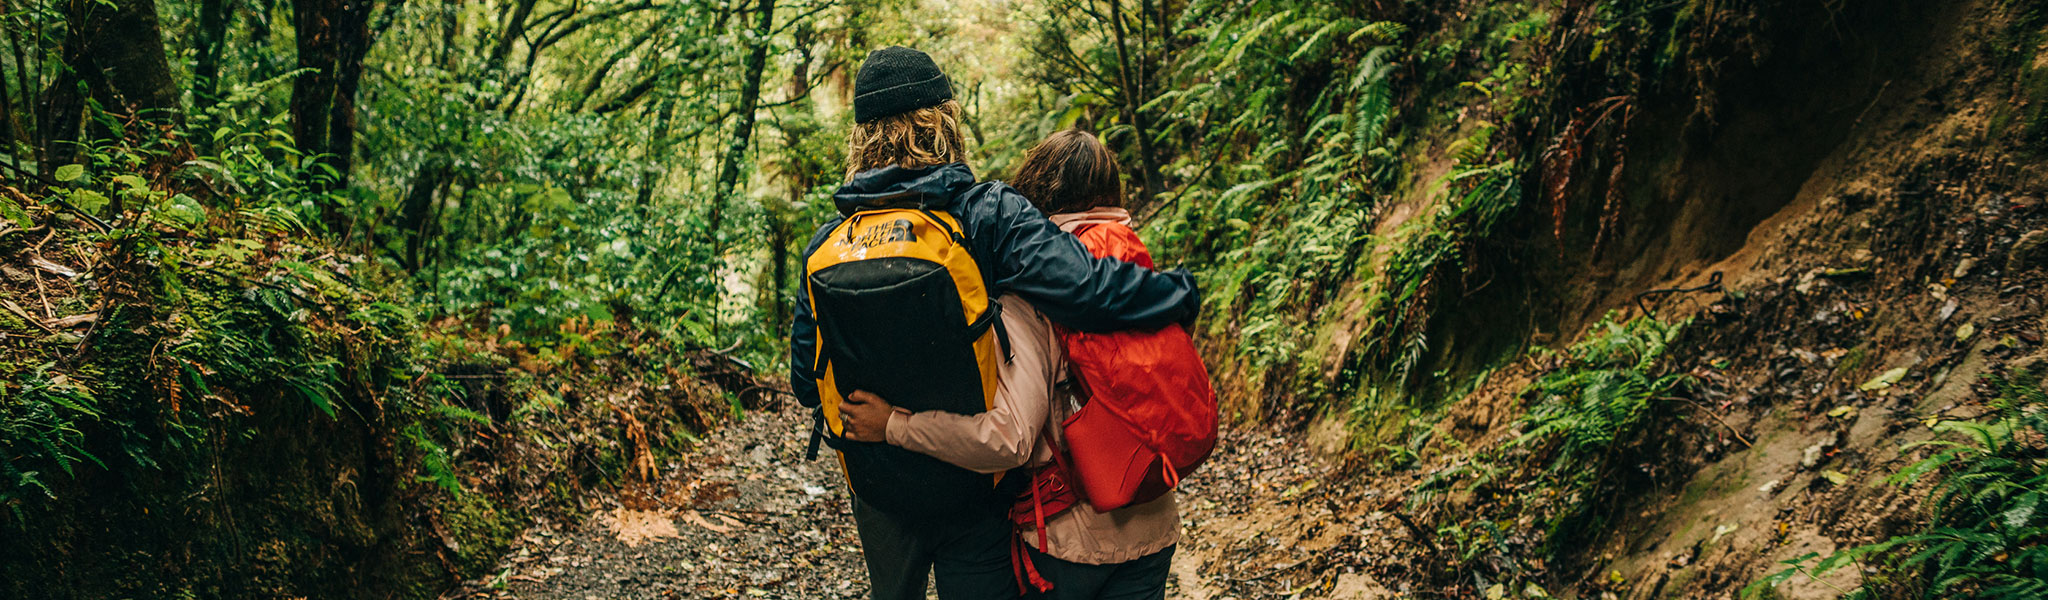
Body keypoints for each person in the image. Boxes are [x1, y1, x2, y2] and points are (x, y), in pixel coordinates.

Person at [791, 47, 1200, 600]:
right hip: (974, 492)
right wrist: (1177, 293)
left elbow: (803, 380)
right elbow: (1082, 285)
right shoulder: (986, 212)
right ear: (944, 122)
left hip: (879, 488)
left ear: (861, 138)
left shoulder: (828, 242)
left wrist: (884, 420)